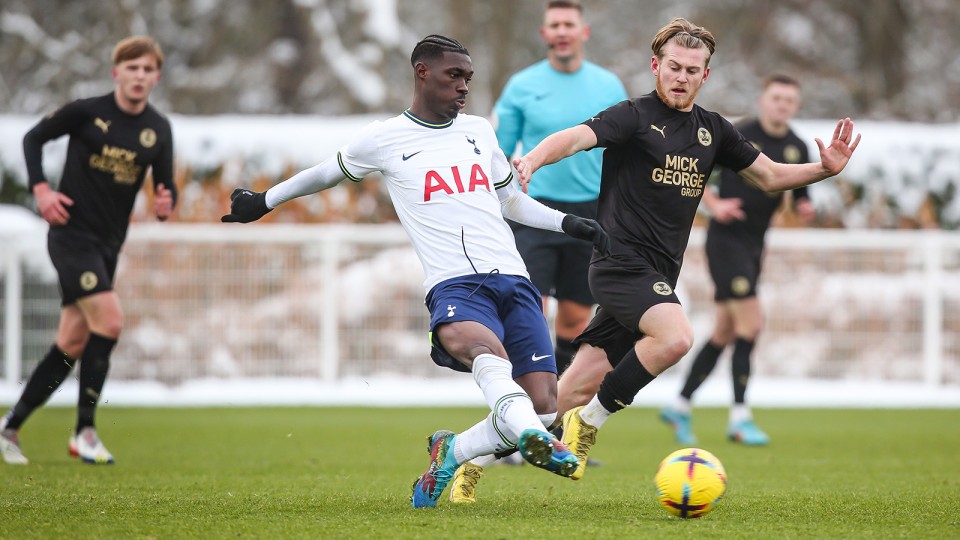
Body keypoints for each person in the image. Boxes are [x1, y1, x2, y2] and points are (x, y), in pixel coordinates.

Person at [219, 35, 610, 509]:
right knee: (486, 354)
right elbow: (324, 173)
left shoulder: (479, 132)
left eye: (468, 77)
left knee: (545, 406)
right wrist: (264, 200)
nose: (464, 86)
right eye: (454, 75)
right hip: (455, 286)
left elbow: (509, 201)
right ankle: (534, 438)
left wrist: (567, 222)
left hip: (514, 279)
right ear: (422, 72)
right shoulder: (384, 139)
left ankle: (455, 450)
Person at [512, 17, 860, 481]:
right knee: (676, 337)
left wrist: (824, 169)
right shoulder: (632, 116)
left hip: (656, 274)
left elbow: (772, 175)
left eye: (692, 70)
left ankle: (465, 454)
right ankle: (590, 424)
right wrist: (533, 158)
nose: (681, 77)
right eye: (674, 67)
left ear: (705, 76)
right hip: (619, 264)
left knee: (563, 394)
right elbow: (576, 137)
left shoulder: (714, 130)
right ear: (656, 67)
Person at [1, 36, 176, 465]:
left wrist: (166, 199)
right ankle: (85, 431)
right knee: (111, 321)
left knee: (72, 340)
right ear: (116, 72)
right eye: (131, 68)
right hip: (71, 237)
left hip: (108, 246)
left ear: (157, 76)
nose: (139, 76)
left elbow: (165, 183)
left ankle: (9, 428)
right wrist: (41, 189)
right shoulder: (86, 112)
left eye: (147, 69)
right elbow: (32, 138)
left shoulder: (158, 129)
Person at [660, 74, 816, 446]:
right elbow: (696, 174)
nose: (782, 105)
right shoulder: (737, 134)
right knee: (752, 322)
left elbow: (801, 193)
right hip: (725, 243)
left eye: (789, 100)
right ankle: (740, 417)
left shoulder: (797, 146)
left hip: (754, 247)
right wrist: (713, 205)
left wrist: (806, 205)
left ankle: (679, 405)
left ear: (795, 106)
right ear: (763, 100)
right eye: (776, 97)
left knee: (726, 331)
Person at [493, 0, 627, 375]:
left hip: (591, 212)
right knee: (529, 311)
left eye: (569, 24)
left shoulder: (609, 85)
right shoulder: (521, 86)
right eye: (555, 25)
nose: (562, 31)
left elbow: (626, 150)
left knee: (573, 318)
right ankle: (525, 404)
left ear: (583, 32)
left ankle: (557, 409)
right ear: (545, 34)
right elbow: (496, 152)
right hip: (534, 210)